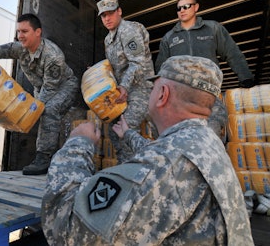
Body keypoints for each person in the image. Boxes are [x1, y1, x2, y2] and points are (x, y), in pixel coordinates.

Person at [41, 55, 253, 245]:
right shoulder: (204, 142)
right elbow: (159, 154)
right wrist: (128, 134)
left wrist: (79, 143)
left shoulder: (167, 163)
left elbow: (67, 231)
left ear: (162, 94)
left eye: (153, 88)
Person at [0, 13, 78, 175]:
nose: (20, 36)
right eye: (18, 32)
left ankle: (44, 158)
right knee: (35, 111)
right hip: (42, 86)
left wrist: (28, 111)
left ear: (38, 32)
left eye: (24, 31)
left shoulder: (53, 56)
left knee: (48, 110)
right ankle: (47, 152)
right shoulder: (20, 48)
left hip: (64, 86)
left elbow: (50, 90)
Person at [155, 0, 255, 139]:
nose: (182, 10)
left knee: (212, 134)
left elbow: (231, 52)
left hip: (208, 94)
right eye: (178, 8)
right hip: (181, 97)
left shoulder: (212, 28)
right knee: (181, 139)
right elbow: (161, 69)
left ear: (196, 7)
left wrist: (245, 76)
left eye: (186, 6)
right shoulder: (169, 38)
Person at [96, 0, 155, 162]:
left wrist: (124, 87)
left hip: (141, 88)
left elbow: (137, 63)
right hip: (124, 89)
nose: (107, 18)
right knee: (113, 129)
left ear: (119, 11)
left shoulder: (128, 30)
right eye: (103, 15)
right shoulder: (108, 39)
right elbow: (115, 68)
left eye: (110, 13)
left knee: (126, 126)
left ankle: (133, 172)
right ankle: (126, 165)